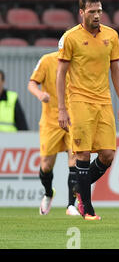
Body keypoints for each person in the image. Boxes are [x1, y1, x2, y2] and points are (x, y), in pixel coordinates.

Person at [56, 0, 119, 221]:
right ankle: (87, 208)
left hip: (104, 101)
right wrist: (62, 108)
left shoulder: (111, 36)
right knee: (83, 153)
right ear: (81, 13)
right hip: (79, 101)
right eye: (92, 11)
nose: (97, 15)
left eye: (99, 10)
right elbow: (61, 74)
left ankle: (79, 186)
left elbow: (115, 70)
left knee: (108, 155)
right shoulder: (70, 38)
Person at [28, 52, 79, 216]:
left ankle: (71, 205)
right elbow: (32, 83)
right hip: (51, 120)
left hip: (73, 119)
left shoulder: (79, 61)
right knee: (46, 164)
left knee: (75, 159)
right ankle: (49, 193)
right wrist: (40, 94)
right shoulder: (47, 60)